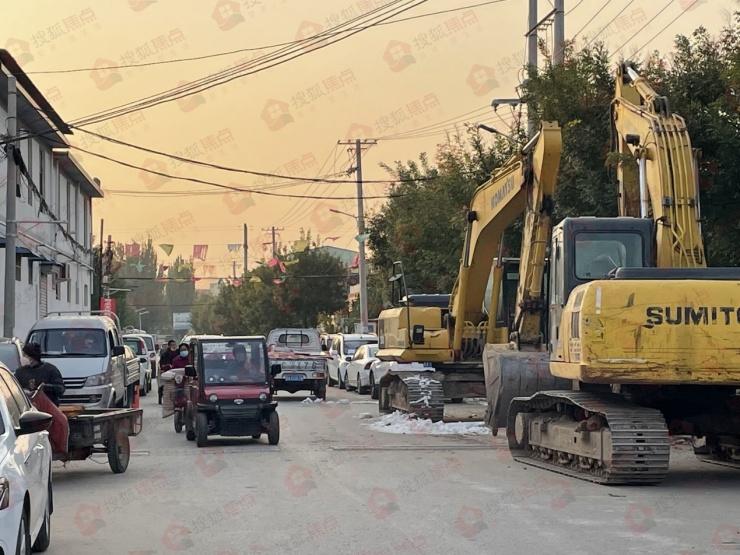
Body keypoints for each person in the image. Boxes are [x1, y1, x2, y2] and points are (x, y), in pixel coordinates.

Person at [157, 340, 178, 404]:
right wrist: (167, 366)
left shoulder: (178, 353)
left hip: (177, 371)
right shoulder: (165, 354)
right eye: (172, 345)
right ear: (169, 346)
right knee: (163, 385)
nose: (174, 346)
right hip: (167, 372)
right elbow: (161, 364)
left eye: (174, 345)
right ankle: (160, 396)